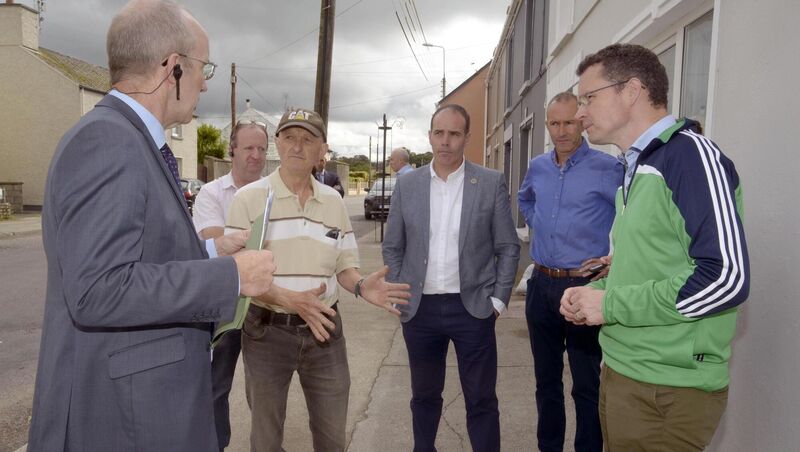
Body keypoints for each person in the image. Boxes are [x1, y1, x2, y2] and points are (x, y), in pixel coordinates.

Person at [26, 1, 275, 451]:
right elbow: (98, 289)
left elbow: (142, 255)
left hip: (141, 410)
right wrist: (231, 277)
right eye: (203, 67)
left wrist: (214, 253)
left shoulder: (129, 139)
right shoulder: (108, 140)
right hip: (123, 422)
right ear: (172, 67)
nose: (204, 82)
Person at [560, 43, 750, 451]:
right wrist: (595, 292)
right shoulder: (636, 167)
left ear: (631, 90)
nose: (579, 114)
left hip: (669, 388)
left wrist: (610, 305)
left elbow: (726, 278)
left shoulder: (691, 157)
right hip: (625, 372)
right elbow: (651, 267)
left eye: (588, 98)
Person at [225, 108, 411, 451]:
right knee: (265, 441)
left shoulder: (333, 201)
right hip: (266, 331)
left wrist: (361, 285)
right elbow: (235, 272)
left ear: (322, 149)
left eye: (307, 139)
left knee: (332, 438)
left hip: (325, 331)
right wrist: (290, 300)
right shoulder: (248, 199)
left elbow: (345, 266)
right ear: (278, 143)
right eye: (289, 137)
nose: (297, 146)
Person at [382, 104, 520, 452]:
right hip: (420, 310)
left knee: (481, 399)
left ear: (466, 137)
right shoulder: (408, 184)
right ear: (429, 136)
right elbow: (393, 246)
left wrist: (498, 300)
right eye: (439, 133)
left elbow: (508, 246)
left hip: (473, 308)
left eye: (454, 134)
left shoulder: (489, 182)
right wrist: (398, 292)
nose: (445, 141)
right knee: (424, 396)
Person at [518, 91, 622, 452]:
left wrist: (615, 257)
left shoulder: (609, 169)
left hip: (584, 287)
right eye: (554, 123)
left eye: (568, 122)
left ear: (582, 121)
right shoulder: (538, 166)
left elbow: (633, 217)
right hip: (541, 284)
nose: (561, 131)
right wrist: (540, 223)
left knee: (586, 386)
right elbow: (525, 198)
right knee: (546, 382)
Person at [191, 120, 268, 450]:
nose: (256, 155)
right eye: (248, 147)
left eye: (262, 149)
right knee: (216, 387)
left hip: (266, 306)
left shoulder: (274, 192)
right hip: (225, 306)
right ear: (232, 150)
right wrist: (260, 242)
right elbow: (213, 240)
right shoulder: (211, 193)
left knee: (264, 392)